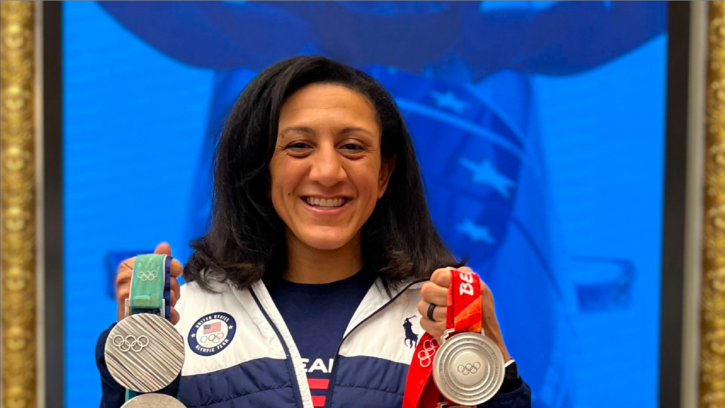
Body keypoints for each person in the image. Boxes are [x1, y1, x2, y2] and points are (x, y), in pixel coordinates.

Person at [96, 56, 531, 408]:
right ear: (259, 168)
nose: (327, 172)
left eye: (353, 147)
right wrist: (131, 361)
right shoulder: (181, 318)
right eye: (299, 145)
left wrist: (497, 377)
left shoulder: (442, 320)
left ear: (384, 174)